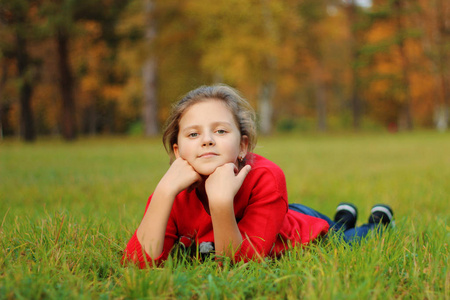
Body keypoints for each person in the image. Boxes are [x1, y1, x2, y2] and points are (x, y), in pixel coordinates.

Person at [122, 84, 394, 268]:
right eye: (194, 134)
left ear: (242, 145)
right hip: (282, 213)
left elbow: (240, 264)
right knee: (336, 225)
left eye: (220, 131)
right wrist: (163, 193)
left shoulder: (266, 177)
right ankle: (343, 216)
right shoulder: (173, 191)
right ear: (178, 150)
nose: (206, 140)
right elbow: (136, 263)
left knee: (343, 239)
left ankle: (376, 224)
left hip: (298, 228)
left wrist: (220, 204)